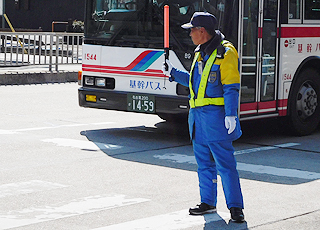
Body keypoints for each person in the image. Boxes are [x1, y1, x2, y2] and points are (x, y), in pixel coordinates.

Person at [162, 12, 245, 223]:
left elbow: (231, 87)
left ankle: (235, 207)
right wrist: (173, 72)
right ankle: (208, 202)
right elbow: (194, 83)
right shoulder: (200, 52)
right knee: (204, 164)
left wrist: (230, 115)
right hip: (198, 118)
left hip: (216, 118)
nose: (189, 34)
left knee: (225, 164)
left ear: (202, 31)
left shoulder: (226, 52)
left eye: (192, 30)